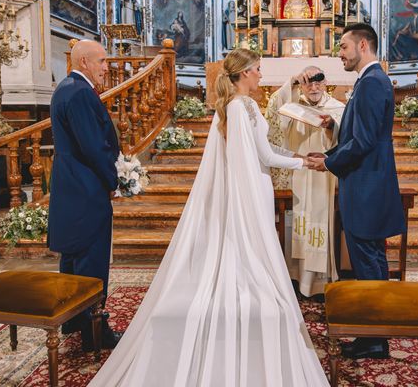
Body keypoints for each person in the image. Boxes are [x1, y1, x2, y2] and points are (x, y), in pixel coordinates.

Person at [89, 48, 329, 386]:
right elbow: (265, 154)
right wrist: (303, 162)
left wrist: (298, 156)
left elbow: (264, 151)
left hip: (255, 184)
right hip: (255, 187)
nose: (261, 74)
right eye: (258, 69)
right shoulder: (242, 105)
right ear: (244, 73)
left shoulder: (234, 106)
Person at [309, 23, 406, 360]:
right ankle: (376, 334)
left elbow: (364, 142)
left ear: (363, 45)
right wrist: (335, 127)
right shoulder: (371, 81)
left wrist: (329, 162)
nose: (340, 55)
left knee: (368, 264)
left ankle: (374, 339)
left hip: (366, 186)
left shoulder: (371, 83)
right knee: (371, 262)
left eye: (344, 47)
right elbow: (365, 132)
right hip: (369, 182)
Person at [48, 40, 123, 351]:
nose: (107, 67)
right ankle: (95, 332)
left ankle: (74, 321)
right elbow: (93, 146)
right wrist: (114, 179)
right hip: (87, 190)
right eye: (102, 61)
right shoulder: (79, 93)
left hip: (71, 188)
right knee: (91, 264)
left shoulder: (65, 88)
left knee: (74, 259)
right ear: (84, 62)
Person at [265, 66, 345, 297]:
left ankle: (319, 284)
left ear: (326, 83)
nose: (313, 87)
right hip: (298, 174)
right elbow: (274, 111)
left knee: (321, 222)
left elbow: (347, 137)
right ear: (301, 85)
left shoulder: (337, 109)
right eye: (308, 83)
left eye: (318, 82)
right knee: (296, 224)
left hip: (325, 177)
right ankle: (294, 278)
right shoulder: (292, 106)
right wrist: (291, 81)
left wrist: (331, 125)